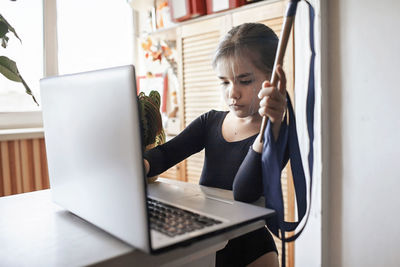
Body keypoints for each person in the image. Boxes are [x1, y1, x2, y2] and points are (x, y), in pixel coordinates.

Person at [143, 23, 288, 267]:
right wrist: (140, 165)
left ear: (272, 78)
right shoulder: (210, 121)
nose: (233, 93)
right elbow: (167, 154)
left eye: (244, 80)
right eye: (225, 82)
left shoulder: (278, 134)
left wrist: (268, 130)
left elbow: (243, 192)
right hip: (208, 243)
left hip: (253, 251)